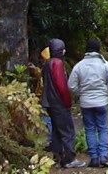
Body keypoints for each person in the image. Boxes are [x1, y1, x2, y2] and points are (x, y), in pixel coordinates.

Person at [68, 37, 108, 168]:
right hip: (101, 102)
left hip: (86, 103)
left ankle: (94, 159)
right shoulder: (105, 64)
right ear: (98, 50)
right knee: (103, 128)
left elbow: (71, 85)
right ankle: (104, 156)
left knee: (90, 130)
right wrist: (106, 92)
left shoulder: (79, 66)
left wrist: (80, 93)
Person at [41, 38, 86, 168]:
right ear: (60, 50)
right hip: (58, 103)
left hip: (49, 103)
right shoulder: (57, 64)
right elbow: (61, 85)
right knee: (68, 131)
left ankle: (57, 157)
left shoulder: (47, 64)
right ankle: (69, 159)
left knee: (56, 130)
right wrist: (67, 101)